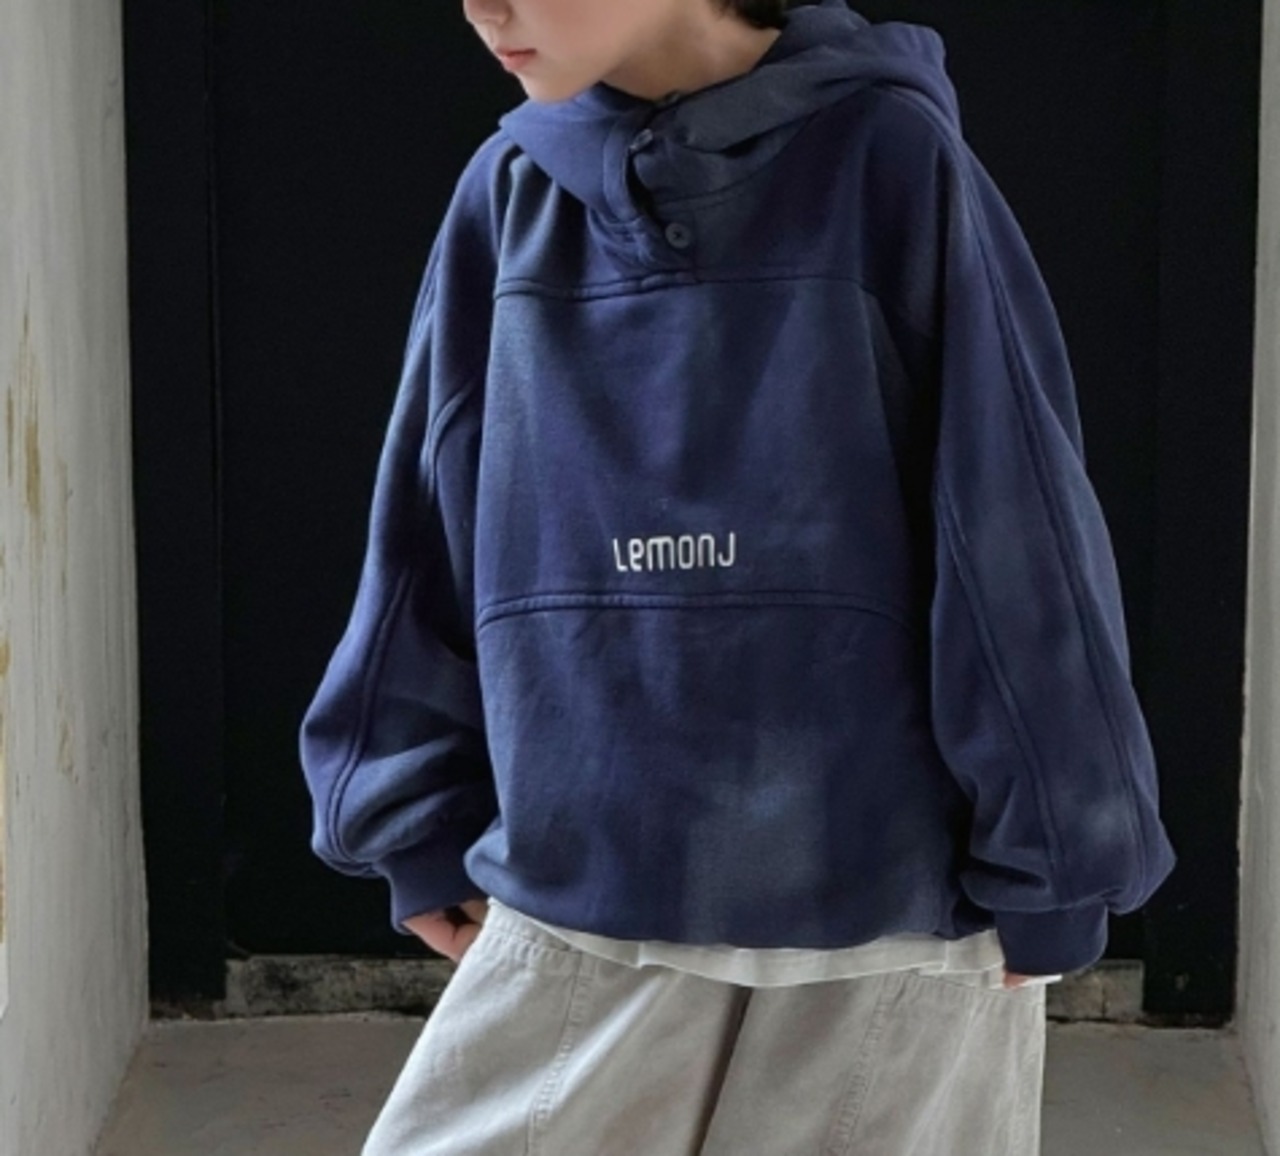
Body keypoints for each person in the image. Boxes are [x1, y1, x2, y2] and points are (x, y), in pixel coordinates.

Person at [297, 0, 1178, 1151]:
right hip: (587, 876)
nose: (482, 7)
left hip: (889, 905)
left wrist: (1055, 854)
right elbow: (426, 526)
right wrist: (410, 812)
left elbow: (1012, 520)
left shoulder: (890, 162)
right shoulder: (510, 191)